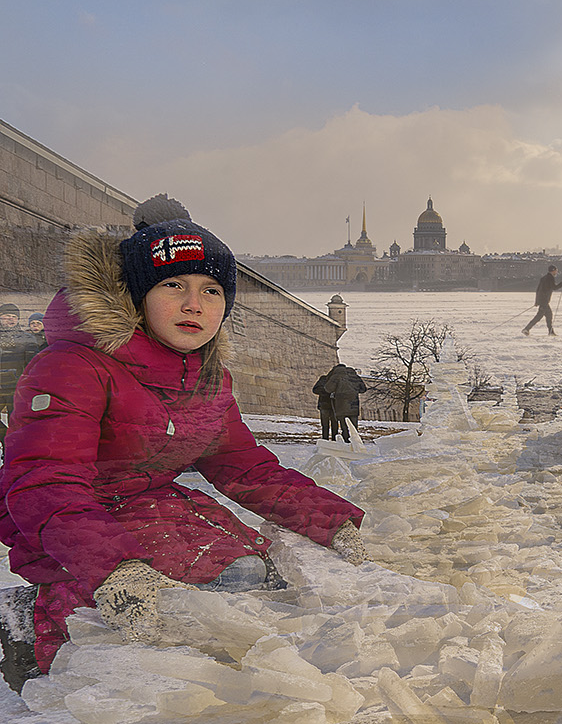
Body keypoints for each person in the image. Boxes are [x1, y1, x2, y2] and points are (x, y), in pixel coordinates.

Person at [0, 203, 369, 691]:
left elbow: (244, 467)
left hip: (155, 506)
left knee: (249, 575)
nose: (195, 305)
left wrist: (331, 521)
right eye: (174, 285)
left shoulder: (208, 379)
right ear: (136, 297)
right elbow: (42, 481)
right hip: (68, 521)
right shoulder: (71, 367)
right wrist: (116, 568)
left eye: (211, 291)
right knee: (145, 621)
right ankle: (33, 627)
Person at [0, 304, 32, 442]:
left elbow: (32, 364)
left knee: (17, 420)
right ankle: (4, 439)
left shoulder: (27, 338)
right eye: (7, 316)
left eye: (14, 317)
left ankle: (11, 447)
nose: (11, 319)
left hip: (16, 386)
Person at [322, 364, 367, 443]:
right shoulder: (354, 376)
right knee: (354, 427)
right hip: (354, 405)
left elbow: (328, 388)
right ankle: (356, 443)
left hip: (341, 405)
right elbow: (363, 389)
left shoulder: (336, 376)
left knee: (344, 427)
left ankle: (347, 443)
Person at [522, 264, 562, 335]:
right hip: (544, 301)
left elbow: (538, 290)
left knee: (549, 315)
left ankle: (550, 331)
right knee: (539, 316)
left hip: (542, 300)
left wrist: (537, 301)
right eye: (556, 271)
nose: (556, 272)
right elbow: (554, 287)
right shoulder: (550, 278)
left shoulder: (544, 278)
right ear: (553, 271)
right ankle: (526, 329)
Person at [313, 365, 338, 440]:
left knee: (335, 425)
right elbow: (315, 389)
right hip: (325, 405)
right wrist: (327, 392)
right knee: (325, 425)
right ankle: (325, 440)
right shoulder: (324, 379)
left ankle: (334, 440)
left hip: (334, 406)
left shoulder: (337, 381)